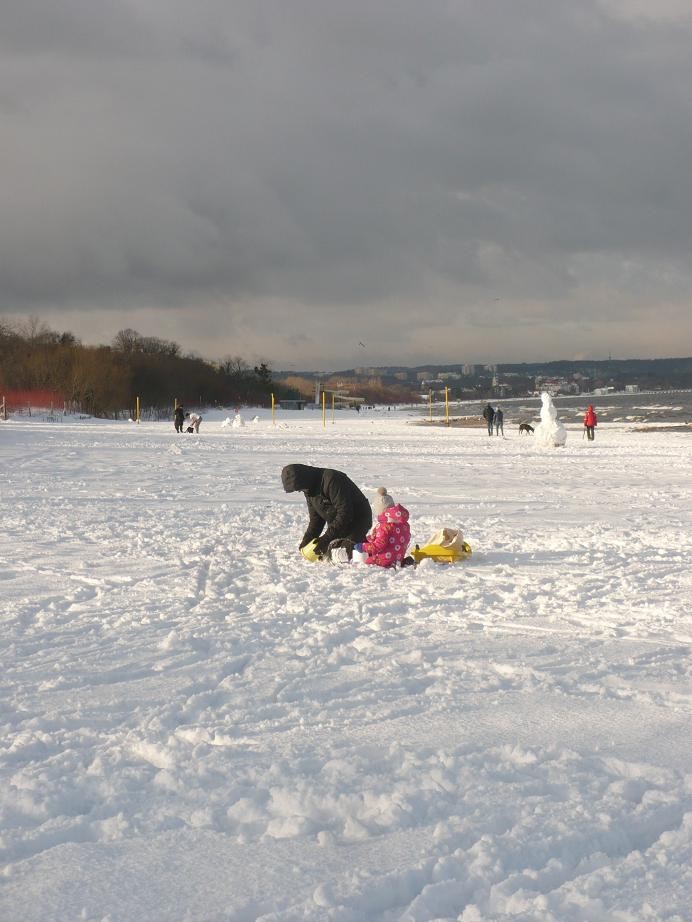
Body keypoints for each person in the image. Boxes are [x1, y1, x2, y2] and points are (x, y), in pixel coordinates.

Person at [281, 464, 372, 559]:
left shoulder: (331, 480)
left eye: (298, 488)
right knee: (327, 553)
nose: (299, 491)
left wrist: (326, 539)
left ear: (304, 480)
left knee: (343, 555)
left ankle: (372, 548)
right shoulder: (308, 489)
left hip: (358, 519)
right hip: (338, 525)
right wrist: (306, 541)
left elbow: (345, 512)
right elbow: (316, 520)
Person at [354, 487, 411, 568]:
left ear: (380, 510)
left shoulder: (384, 526)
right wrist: (369, 539)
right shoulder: (403, 524)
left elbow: (378, 546)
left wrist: (363, 547)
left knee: (363, 562)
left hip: (385, 559)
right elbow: (391, 538)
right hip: (398, 557)